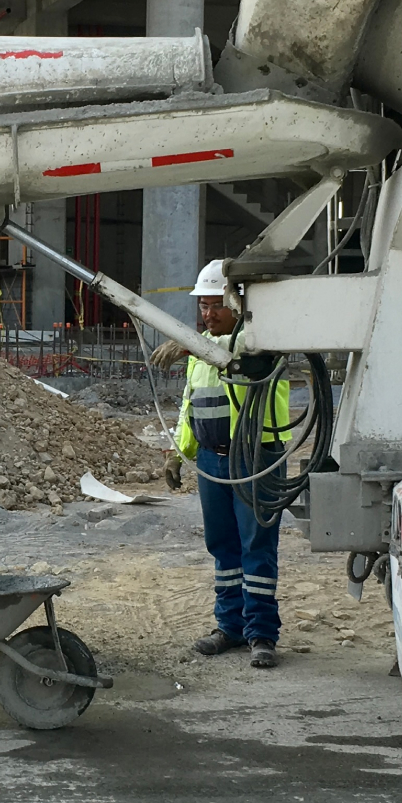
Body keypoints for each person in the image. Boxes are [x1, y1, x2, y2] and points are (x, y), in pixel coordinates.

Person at [164, 260, 291, 669]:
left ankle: (261, 633)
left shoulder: (261, 342)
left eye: (215, 304)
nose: (207, 314)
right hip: (213, 460)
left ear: (237, 303)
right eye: (202, 306)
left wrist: (190, 345)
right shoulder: (200, 350)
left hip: (256, 457)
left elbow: (237, 360)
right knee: (223, 546)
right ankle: (230, 626)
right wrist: (178, 452)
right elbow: (191, 405)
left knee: (257, 545)